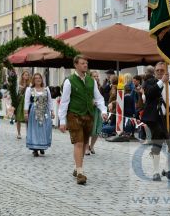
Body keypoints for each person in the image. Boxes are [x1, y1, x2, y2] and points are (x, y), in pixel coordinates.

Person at [58, 55, 107, 185]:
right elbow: (64, 102)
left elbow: (99, 98)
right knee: (79, 143)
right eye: (83, 63)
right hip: (74, 115)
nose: (85, 65)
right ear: (76, 65)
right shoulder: (69, 81)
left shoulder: (92, 81)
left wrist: (103, 111)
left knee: (85, 143)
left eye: (86, 63)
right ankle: (80, 172)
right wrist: (62, 120)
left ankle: (76, 167)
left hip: (88, 115)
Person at [142, 62, 170, 181]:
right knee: (157, 144)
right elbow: (149, 94)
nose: (160, 72)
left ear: (167, 71)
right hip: (156, 119)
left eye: (162, 70)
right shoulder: (150, 83)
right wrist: (161, 82)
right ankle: (155, 172)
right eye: (158, 70)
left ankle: (167, 170)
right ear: (154, 72)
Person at [24, 73, 54, 157]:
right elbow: (26, 101)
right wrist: (26, 113)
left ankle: (42, 146)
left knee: (44, 128)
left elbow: (50, 101)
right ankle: (35, 148)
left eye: (39, 78)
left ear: (41, 79)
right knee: (35, 129)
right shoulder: (30, 90)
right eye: (36, 78)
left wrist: (52, 111)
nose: (38, 79)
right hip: (34, 111)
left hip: (45, 111)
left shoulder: (46, 89)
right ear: (33, 80)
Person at [85, 70, 103, 155]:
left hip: (98, 109)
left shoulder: (100, 86)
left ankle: (91, 146)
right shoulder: (87, 85)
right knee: (89, 129)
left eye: (97, 76)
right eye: (94, 76)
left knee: (97, 128)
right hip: (89, 109)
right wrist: (90, 101)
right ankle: (86, 147)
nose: (96, 78)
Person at [15, 70, 31, 139]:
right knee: (18, 118)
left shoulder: (30, 84)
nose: (26, 76)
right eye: (25, 75)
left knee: (27, 119)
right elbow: (16, 93)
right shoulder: (18, 83)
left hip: (26, 102)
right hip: (20, 102)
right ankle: (19, 133)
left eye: (27, 75)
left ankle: (28, 133)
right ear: (22, 76)